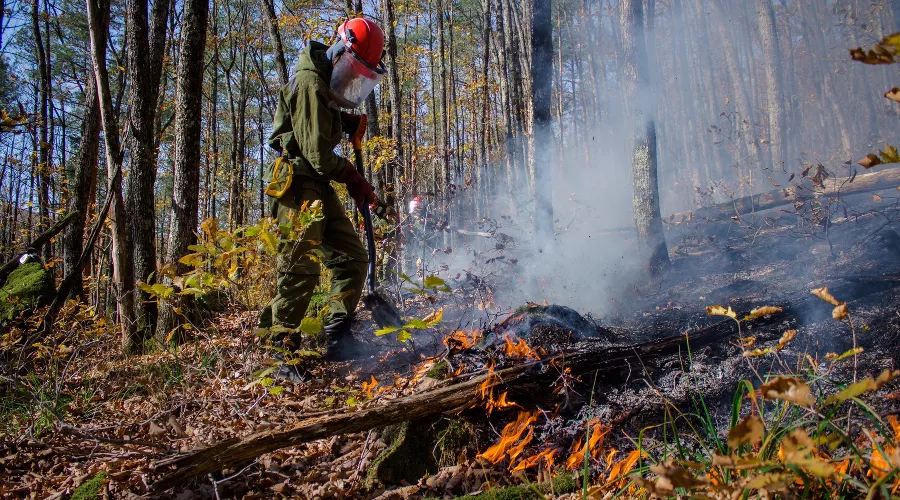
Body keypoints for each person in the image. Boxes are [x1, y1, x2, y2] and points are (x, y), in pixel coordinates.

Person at [260, 18, 386, 380]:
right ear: (342, 50)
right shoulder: (310, 82)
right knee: (301, 265)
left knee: (351, 257)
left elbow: (316, 122)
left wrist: (345, 123)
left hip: (315, 181)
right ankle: (279, 350)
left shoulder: (323, 82)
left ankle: (338, 337)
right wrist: (354, 177)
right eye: (353, 67)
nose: (352, 77)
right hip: (298, 181)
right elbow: (316, 152)